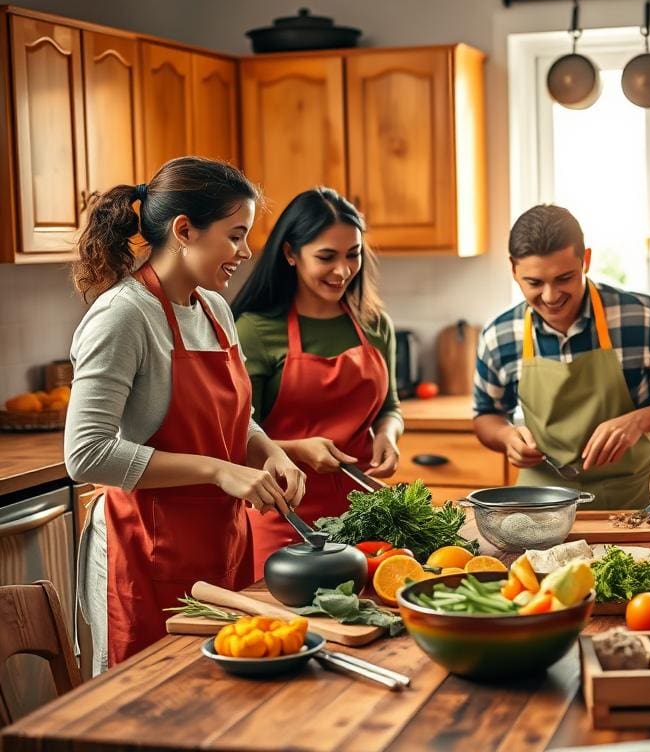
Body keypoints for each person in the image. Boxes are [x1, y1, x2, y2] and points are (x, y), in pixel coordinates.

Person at [66, 157, 305, 673]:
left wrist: (271, 453)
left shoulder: (214, 310)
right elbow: (86, 455)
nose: (245, 252)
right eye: (235, 236)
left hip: (221, 545)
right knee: (145, 711)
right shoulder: (123, 315)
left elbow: (237, 422)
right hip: (144, 553)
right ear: (183, 230)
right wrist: (218, 470)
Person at [473, 204, 650, 509]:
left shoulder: (639, 317)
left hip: (634, 502)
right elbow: (486, 414)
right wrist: (506, 438)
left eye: (564, 278)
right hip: (540, 508)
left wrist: (639, 421)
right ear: (514, 270)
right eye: (534, 283)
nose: (550, 296)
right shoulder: (498, 335)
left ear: (585, 260)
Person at [231, 188, 402, 576]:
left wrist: (388, 436)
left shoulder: (374, 325)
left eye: (352, 254)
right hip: (283, 517)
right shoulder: (255, 331)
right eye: (326, 257)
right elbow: (234, 439)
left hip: (365, 514)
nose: (343, 270)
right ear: (291, 254)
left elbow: (389, 407)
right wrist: (298, 451)